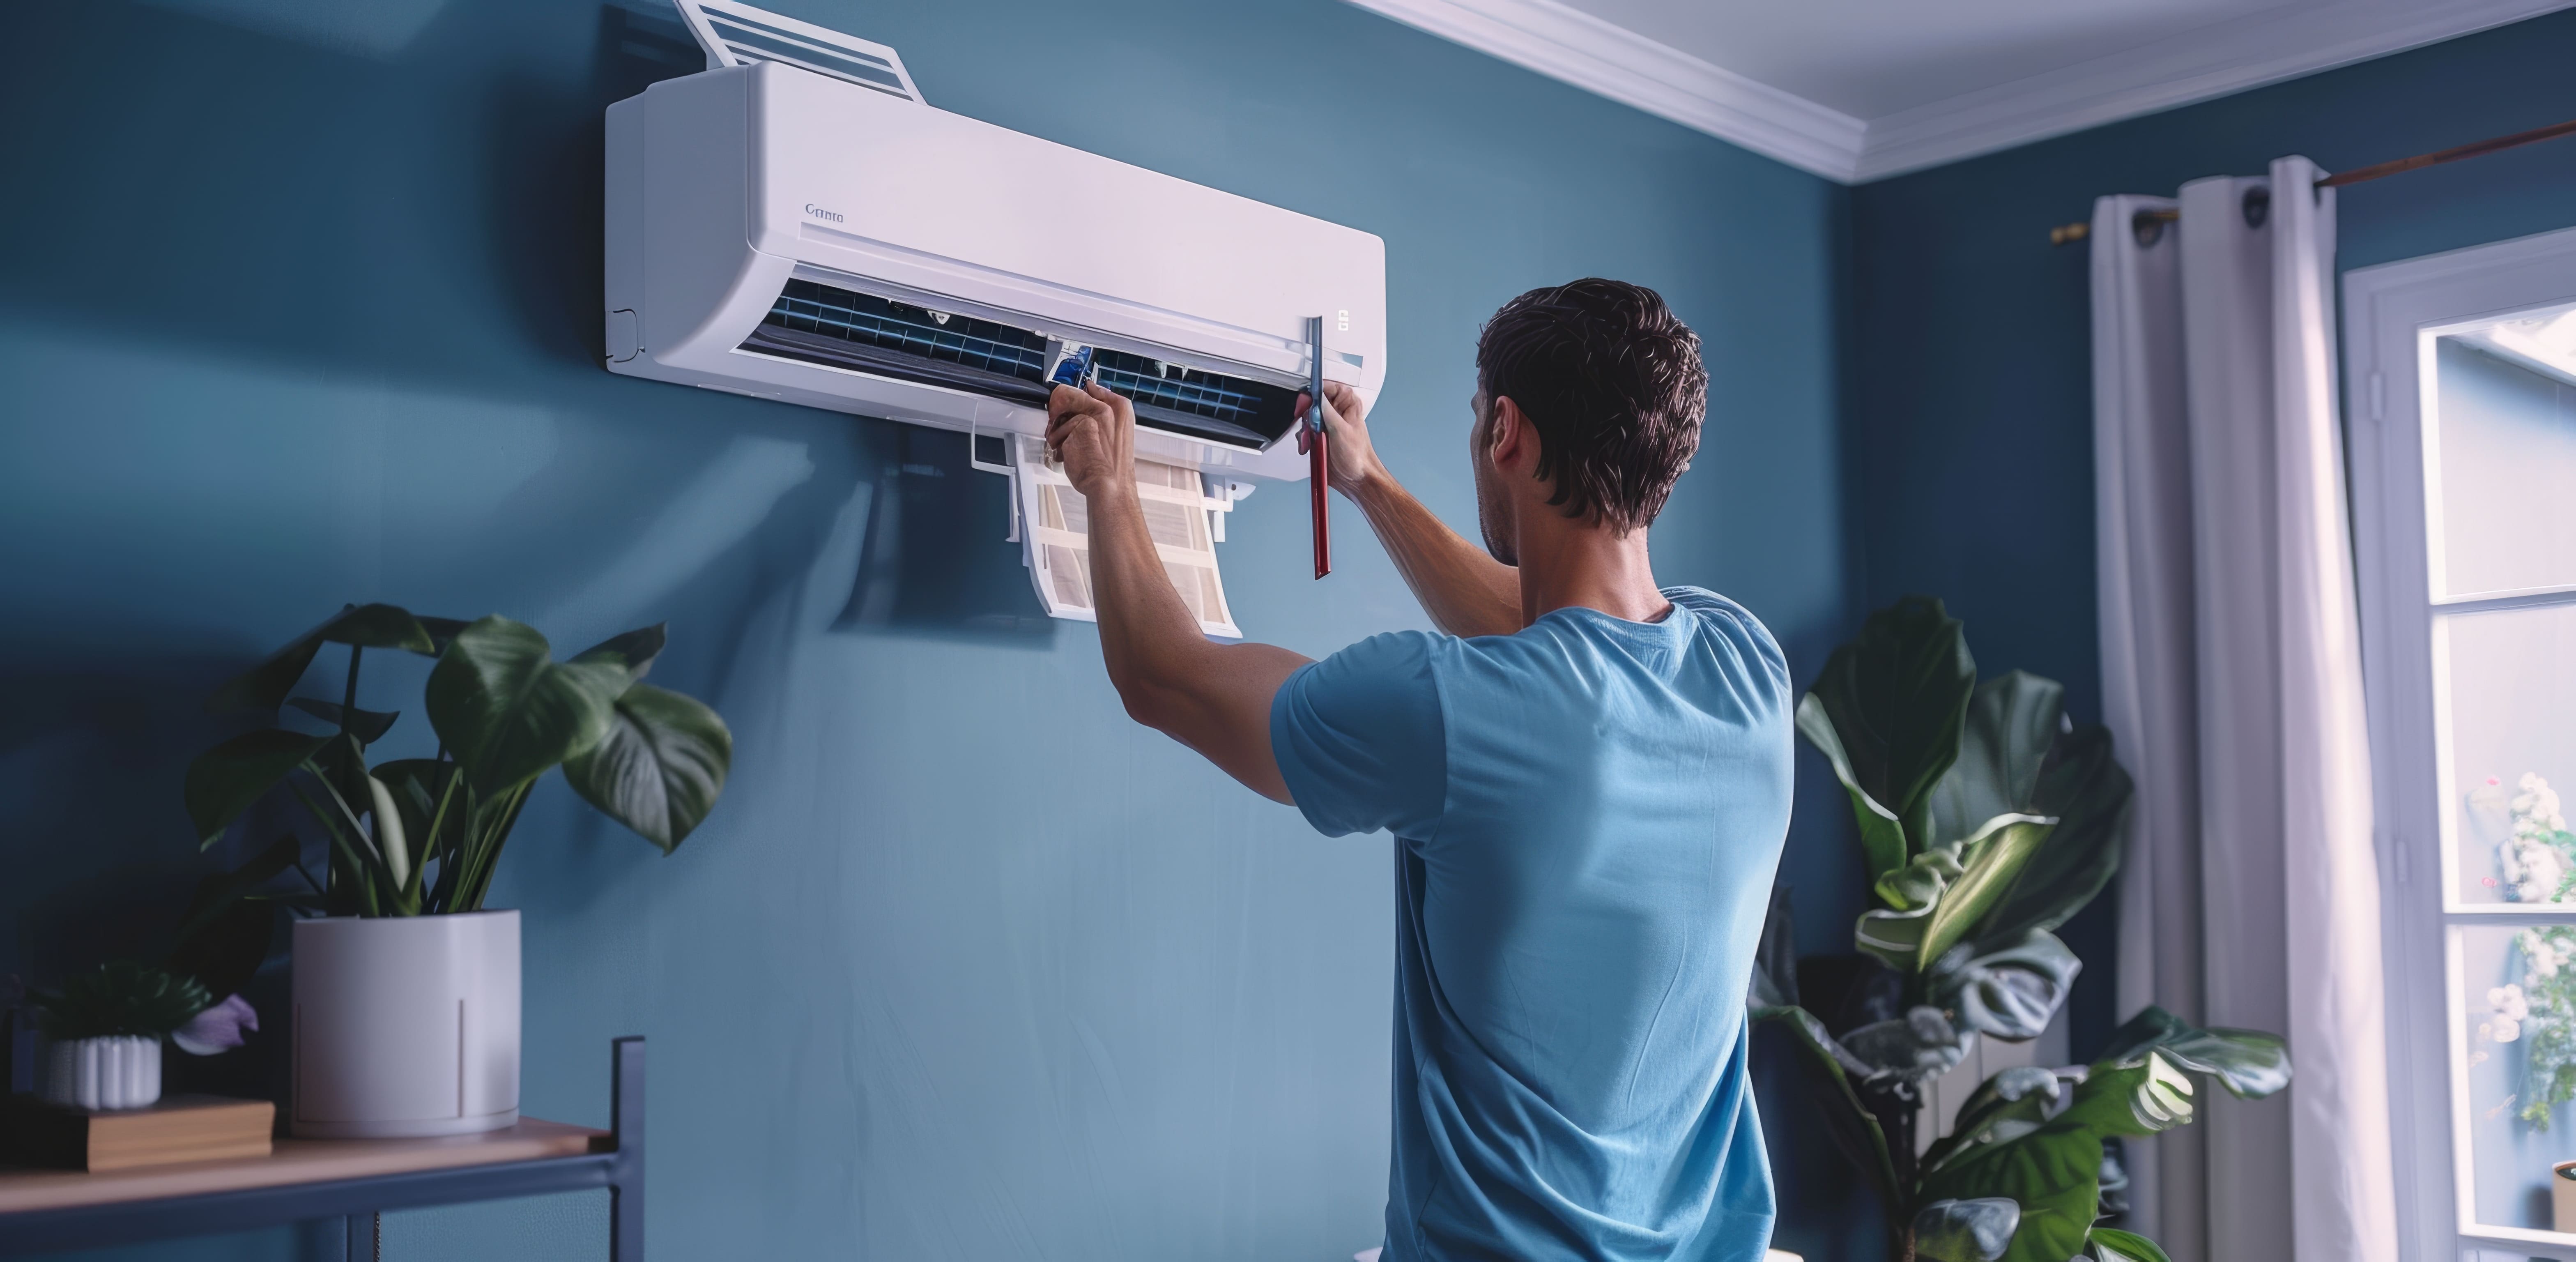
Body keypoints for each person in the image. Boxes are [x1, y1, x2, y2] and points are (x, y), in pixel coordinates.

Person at [1043, 278, 1792, 1261]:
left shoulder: (1439, 708)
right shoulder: (1748, 672)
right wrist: (1368, 484)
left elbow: (1166, 679)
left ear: (1507, 434)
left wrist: (1105, 481)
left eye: (1481, 416)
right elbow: (1568, 636)